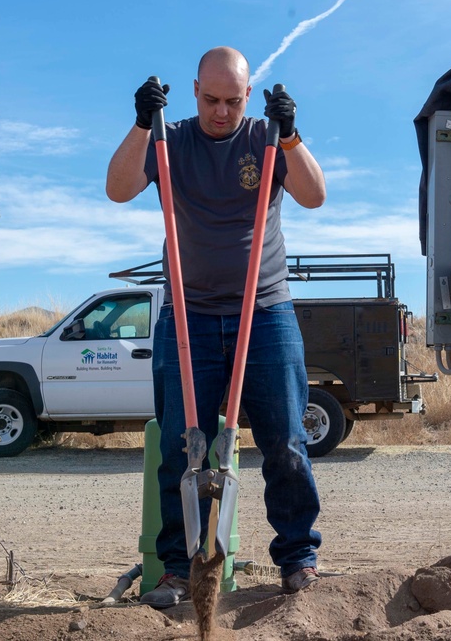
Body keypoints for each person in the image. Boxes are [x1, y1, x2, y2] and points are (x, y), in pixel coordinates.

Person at [105, 46, 327, 609]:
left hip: (265, 311)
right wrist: (139, 125)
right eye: (210, 99)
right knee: (183, 449)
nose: (221, 112)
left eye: (232, 101)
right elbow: (118, 187)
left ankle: (298, 558)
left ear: (248, 96)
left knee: (286, 444)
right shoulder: (169, 138)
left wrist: (293, 134)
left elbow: (314, 196)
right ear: (194, 89)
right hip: (190, 316)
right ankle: (178, 570)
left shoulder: (267, 139)